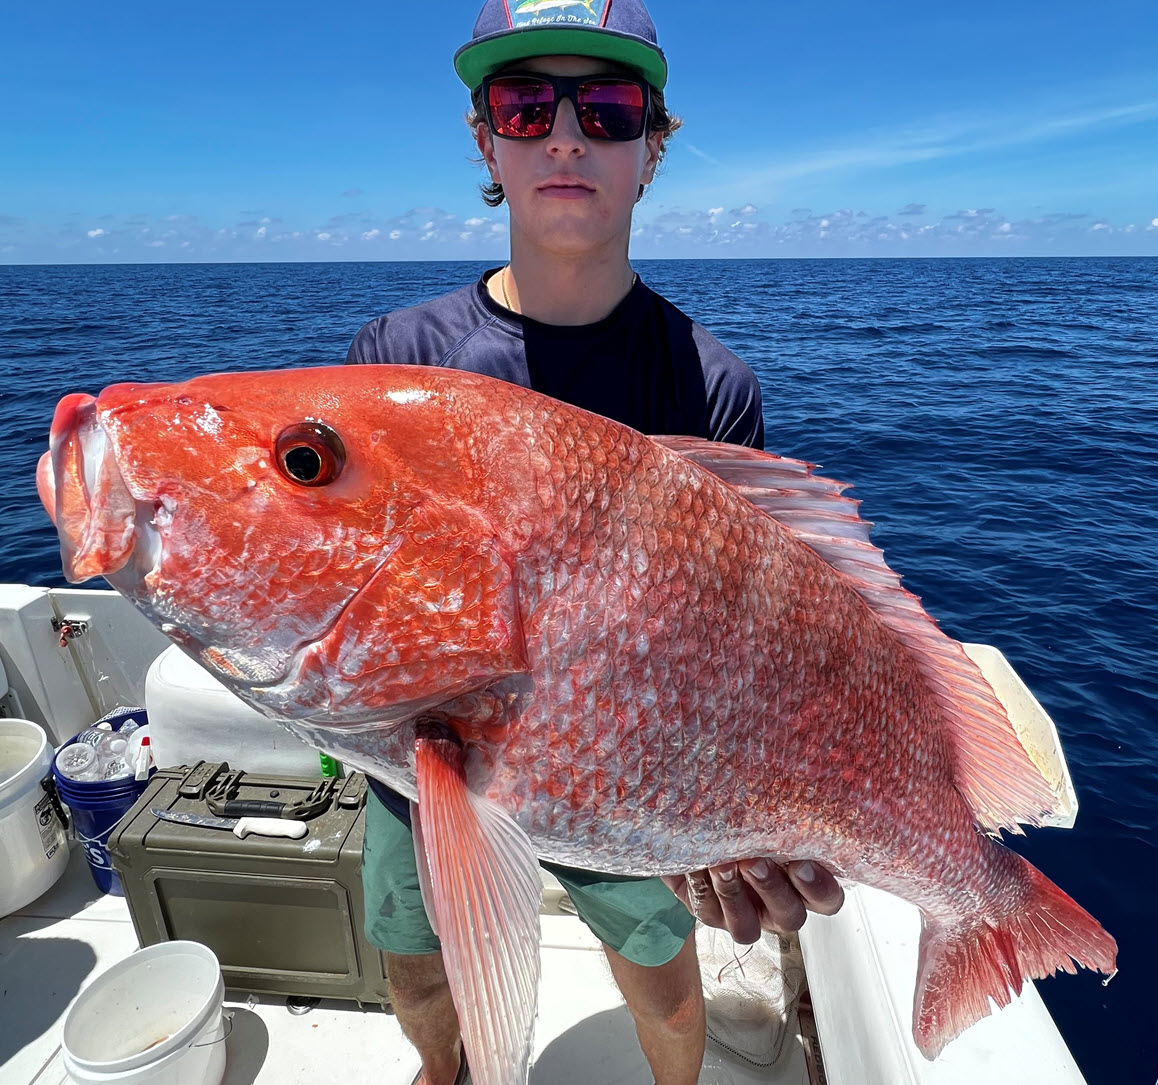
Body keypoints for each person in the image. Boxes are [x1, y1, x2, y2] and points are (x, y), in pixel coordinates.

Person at [347, 2, 843, 1082]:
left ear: (652, 147)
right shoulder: (399, 355)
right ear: (486, 139)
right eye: (527, 105)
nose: (565, 134)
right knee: (415, 968)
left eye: (606, 107)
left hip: (630, 780)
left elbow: (744, 636)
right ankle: (447, 1071)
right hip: (422, 764)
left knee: (663, 981)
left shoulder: (710, 384)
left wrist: (740, 811)